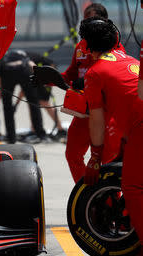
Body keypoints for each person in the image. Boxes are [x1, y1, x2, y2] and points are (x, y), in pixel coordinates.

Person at [32, 3, 123, 182]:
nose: (88, 22)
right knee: (72, 154)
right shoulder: (81, 45)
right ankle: (85, 195)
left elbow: (116, 71)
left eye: (92, 19)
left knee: (106, 161)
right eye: (86, 18)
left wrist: (88, 79)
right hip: (83, 109)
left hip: (106, 111)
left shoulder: (114, 43)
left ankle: (109, 200)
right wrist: (48, 79)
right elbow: (70, 75)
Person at [80, 17, 143, 256]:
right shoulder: (132, 61)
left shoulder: (95, 73)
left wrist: (95, 158)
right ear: (116, 39)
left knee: (134, 188)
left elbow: (96, 120)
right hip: (137, 128)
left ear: (86, 46)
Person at [0, 49, 47, 144]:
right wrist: (41, 81)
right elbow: (33, 66)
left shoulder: (4, 56)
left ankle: (11, 137)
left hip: (7, 72)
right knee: (33, 104)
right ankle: (40, 134)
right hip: (24, 71)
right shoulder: (26, 55)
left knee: (7, 107)